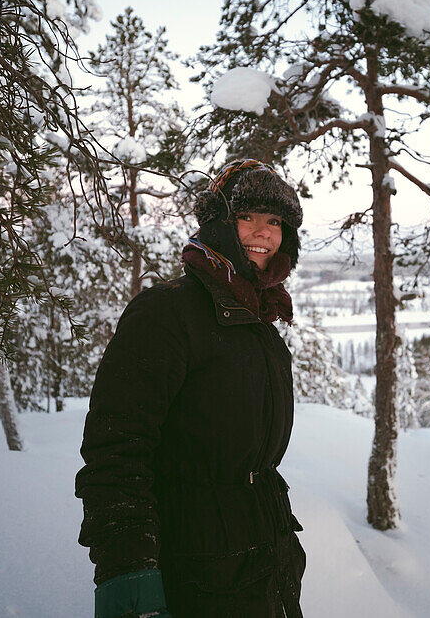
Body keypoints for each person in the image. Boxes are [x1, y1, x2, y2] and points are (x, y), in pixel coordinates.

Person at [75, 159, 307, 618]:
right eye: (247, 216)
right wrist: (129, 574)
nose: (263, 232)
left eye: (275, 221)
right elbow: (115, 450)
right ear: (219, 224)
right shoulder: (168, 313)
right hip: (195, 576)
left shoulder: (258, 322)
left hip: (267, 569)